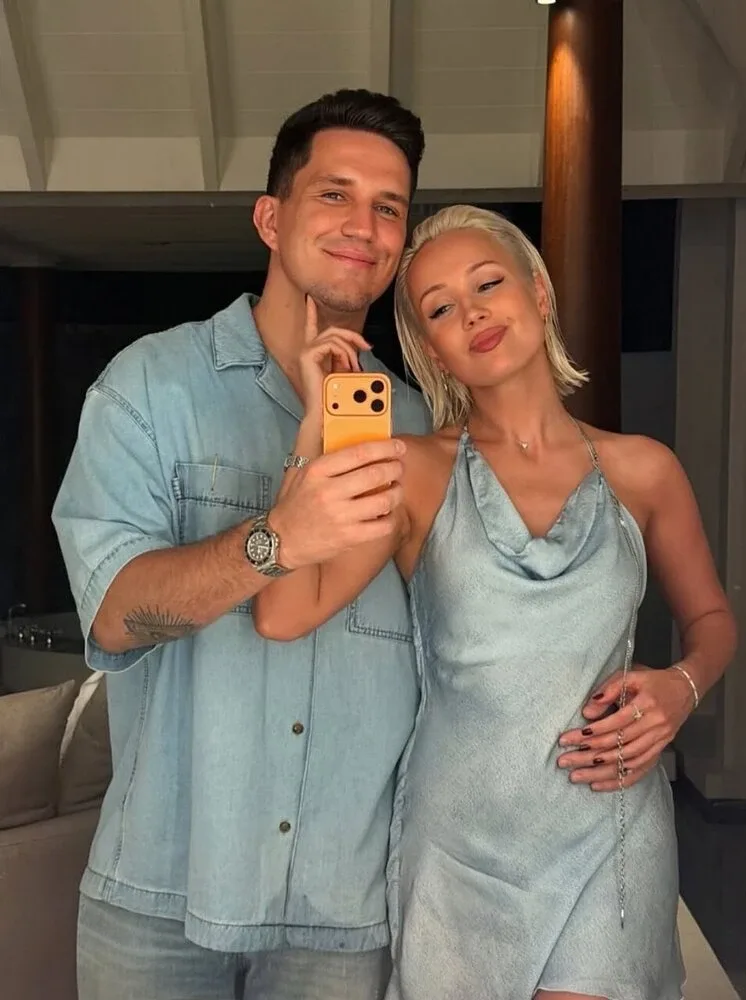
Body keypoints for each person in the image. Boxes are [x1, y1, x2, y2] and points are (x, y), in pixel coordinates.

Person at [253, 205, 737, 1000]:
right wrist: (314, 430)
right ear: (430, 348)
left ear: (537, 293)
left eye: (487, 284)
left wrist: (679, 688)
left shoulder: (644, 470)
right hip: (460, 846)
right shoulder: (409, 470)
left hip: (608, 822)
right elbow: (282, 613)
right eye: (441, 308)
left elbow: (712, 621)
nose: (472, 313)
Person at [52, 89, 431, 1000]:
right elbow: (112, 615)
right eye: (334, 194)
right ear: (270, 217)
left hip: (344, 908)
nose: (364, 226)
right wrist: (276, 540)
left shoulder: (418, 425)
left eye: (388, 207)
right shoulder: (151, 385)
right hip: (161, 895)